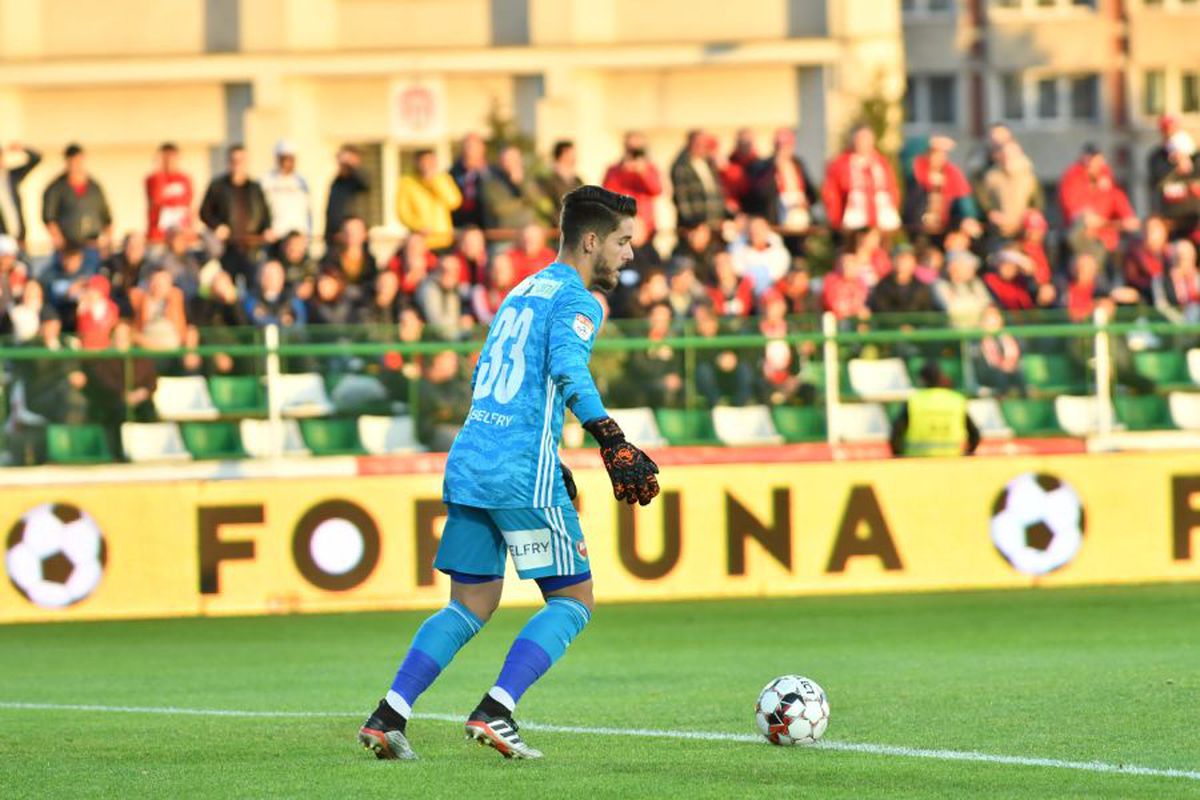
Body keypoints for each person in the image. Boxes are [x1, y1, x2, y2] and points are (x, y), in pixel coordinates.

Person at [357, 185, 661, 761]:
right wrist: (610, 437)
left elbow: (497, 373)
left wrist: (556, 454)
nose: (629, 255)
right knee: (574, 600)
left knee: (468, 605)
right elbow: (567, 368)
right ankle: (497, 710)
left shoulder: (523, 288)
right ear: (590, 241)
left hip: (472, 457)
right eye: (622, 242)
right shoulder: (580, 299)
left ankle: (388, 715)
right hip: (520, 467)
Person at [199, 144, 272, 281]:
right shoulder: (217, 186)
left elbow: (265, 213)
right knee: (228, 286)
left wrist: (267, 229)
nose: (237, 164)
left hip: (251, 248)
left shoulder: (255, 188)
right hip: (227, 248)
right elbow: (204, 212)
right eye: (234, 160)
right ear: (228, 162)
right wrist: (217, 226)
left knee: (253, 284)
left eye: (241, 160)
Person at [889, 361, 981, 457]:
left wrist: (899, 456)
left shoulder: (914, 401)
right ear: (941, 378)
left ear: (921, 380)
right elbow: (975, 435)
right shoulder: (956, 401)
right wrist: (967, 453)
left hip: (917, 464)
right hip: (953, 462)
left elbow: (896, 433)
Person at [821, 124, 900, 235]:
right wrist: (836, 219)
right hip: (853, 218)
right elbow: (831, 193)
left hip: (881, 219)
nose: (863, 143)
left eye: (867, 139)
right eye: (860, 139)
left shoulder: (882, 163)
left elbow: (892, 188)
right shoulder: (840, 164)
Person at [42, 143, 113, 260]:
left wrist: (107, 243)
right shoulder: (56, 187)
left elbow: (107, 217)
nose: (76, 166)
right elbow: (49, 218)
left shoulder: (94, 187)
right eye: (72, 162)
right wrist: (59, 241)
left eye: (79, 161)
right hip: (68, 249)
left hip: (93, 246)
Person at [396, 148, 462, 251]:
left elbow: (454, 202)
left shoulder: (443, 179)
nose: (427, 165)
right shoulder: (407, 182)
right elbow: (403, 212)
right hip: (420, 241)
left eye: (430, 161)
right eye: (424, 161)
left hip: (443, 239)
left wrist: (434, 182)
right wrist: (418, 226)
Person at [603, 131, 663, 237]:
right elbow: (607, 194)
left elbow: (657, 190)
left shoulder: (649, 168)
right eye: (631, 149)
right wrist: (622, 171)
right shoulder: (614, 170)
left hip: (646, 227)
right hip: (621, 225)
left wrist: (643, 173)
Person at [670, 130, 725, 229]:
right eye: (697, 143)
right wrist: (692, 224)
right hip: (695, 225)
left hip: (713, 221)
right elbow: (682, 198)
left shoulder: (709, 163)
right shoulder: (681, 166)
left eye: (704, 143)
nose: (701, 147)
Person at [261, 139, 312, 239]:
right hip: (275, 237)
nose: (287, 163)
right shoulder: (266, 181)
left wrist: (307, 235)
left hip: (298, 238)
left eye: (290, 159)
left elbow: (308, 212)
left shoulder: (302, 182)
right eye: (283, 158)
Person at [144, 142, 193, 245]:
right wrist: (159, 170)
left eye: (173, 158)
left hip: (181, 235)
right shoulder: (153, 179)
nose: (170, 161)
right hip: (158, 235)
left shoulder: (185, 179)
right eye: (166, 158)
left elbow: (188, 204)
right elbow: (156, 199)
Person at [325, 145, 369, 248]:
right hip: (335, 236)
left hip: (352, 236)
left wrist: (352, 165)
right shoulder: (337, 181)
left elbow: (365, 183)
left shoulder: (357, 180)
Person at [0, 142, 40, 250]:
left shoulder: (12, 176)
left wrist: (22, 148)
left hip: (19, 238)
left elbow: (36, 158)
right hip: (3, 242)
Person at [449, 132, 491, 230]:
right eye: (467, 147)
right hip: (459, 223)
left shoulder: (491, 172)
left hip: (485, 224)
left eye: (473, 147)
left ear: (482, 148)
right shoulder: (453, 173)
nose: (469, 151)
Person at [539, 140, 583, 222]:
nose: (575, 157)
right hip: (555, 229)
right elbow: (546, 207)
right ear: (562, 155)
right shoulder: (547, 180)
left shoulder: (578, 180)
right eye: (571, 154)